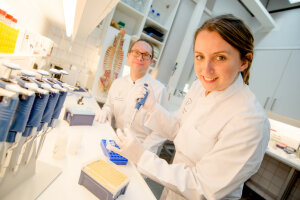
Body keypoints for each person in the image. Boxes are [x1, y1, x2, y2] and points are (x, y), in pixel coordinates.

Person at [108, 14, 270, 199]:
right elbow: (178, 128)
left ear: (243, 61)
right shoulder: (199, 88)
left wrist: (142, 157)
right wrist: (153, 108)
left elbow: (201, 186)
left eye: (220, 58)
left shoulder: (250, 120)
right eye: (200, 56)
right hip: (173, 188)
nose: (205, 69)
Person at [96, 39, 168, 154]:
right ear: (128, 56)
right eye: (136, 53)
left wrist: (141, 151)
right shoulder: (117, 83)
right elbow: (109, 105)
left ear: (151, 62)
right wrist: (106, 111)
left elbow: (161, 130)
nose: (140, 58)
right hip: (114, 142)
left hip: (140, 152)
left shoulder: (159, 90)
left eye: (145, 55)